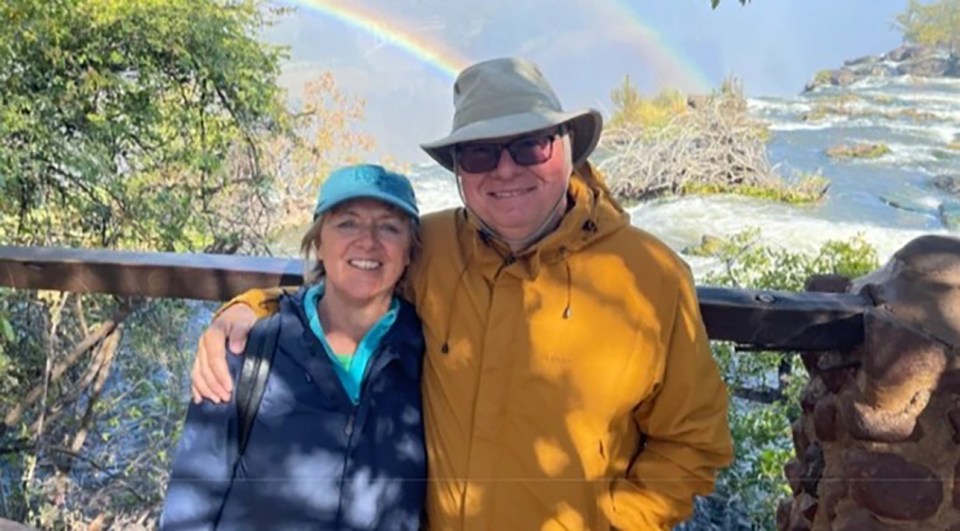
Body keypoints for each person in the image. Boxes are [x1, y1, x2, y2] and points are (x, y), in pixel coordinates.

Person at [190, 58, 734, 529]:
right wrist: (246, 310)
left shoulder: (651, 276)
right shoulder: (433, 247)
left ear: (567, 148)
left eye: (529, 145)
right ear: (458, 171)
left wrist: (617, 522)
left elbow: (693, 442)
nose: (505, 170)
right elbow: (347, 278)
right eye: (479, 154)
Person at [161, 164, 427, 530]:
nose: (368, 240)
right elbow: (190, 505)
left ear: (409, 252)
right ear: (319, 242)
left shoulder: (429, 354)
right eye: (347, 222)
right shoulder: (248, 349)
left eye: (390, 227)